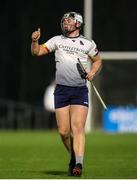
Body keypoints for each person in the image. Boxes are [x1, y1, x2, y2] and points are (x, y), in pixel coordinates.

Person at [31, 11, 102, 176]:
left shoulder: (88, 43)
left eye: (69, 21)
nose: (65, 24)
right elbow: (37, 52)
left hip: (79, 90)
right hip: (62, 91)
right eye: (64, 21)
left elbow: (97, 61)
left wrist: (92, 73)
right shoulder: (57, 40)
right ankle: (72, 156)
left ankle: (78, 164)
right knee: (63, 132)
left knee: (77, 127)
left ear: (78, 23)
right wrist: (35, 41)